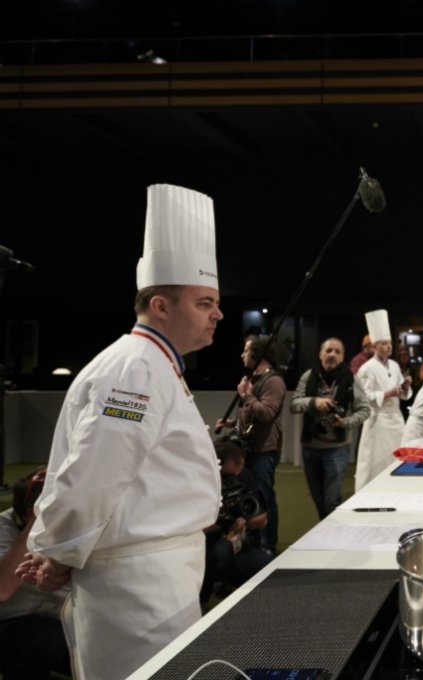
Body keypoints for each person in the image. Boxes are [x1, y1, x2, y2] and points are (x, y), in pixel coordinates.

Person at [16, 184, 223, 680]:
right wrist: (59, 554)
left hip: (156, 576)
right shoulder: (135, 370)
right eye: (204, 302)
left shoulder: (151, 365)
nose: (218, 314)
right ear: (160, 306)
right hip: (136, 587)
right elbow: (94, 473)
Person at [0, 467, 71, 680]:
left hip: (57, 620)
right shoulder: (4, 525)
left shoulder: (75, 526)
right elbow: (2, 589)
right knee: (46, 637)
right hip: (9, 622)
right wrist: (37, 524)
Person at [217, 335, 286, 554]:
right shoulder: (254, 380)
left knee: (265, 497)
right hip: (250, 449)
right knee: (251, 496)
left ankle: (268, 545)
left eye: (246, 350)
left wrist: (246, 395)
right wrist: (231, 423)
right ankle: (253, 543)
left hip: (264, 450)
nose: (242, 355)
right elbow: (249, 415)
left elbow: (266, 413)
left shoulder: (273, 381)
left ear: (257, 354)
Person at [289, 337, 371, 519]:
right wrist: (313, 402)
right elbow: (294, 404)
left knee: (331, 500)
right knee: (318, 500)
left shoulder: (350, 379)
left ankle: (335, 538)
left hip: (337, 449)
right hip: (310, 446)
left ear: (342, 357)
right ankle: (326, 533)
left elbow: (365, 409)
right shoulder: (308, 376)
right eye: (328, 351)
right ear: (320, 354)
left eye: (337, 351)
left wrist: (345, 422)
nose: (332, 354)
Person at [201, 439, 273, 606]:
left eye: (240, 465)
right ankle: (207, 594)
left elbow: (262, 519)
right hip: (202, 545)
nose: (237, 470)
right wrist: (201, 528)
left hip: (236, 542)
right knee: (221, 553)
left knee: (270, 568)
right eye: (234, 465)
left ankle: (228, 583)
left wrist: (245, 522)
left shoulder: (243, 476)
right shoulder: (200, 480)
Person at [355, 309, 412, 490]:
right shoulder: (366, 368)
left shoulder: (394, 365)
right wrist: (389, 393)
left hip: (396, 418)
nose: (388, 346)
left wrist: (405, 387)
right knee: (376, 461)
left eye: (389, 343)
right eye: (384, 343)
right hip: (377, 419)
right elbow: (365, 397)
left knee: (397, 458)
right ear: (374, 346)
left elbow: (402, 392)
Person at [396, 344, 414, 419]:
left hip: (409, 396)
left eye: (406, 355)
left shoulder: (412, 368)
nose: (404, 357)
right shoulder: (395, 368)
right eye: (402, 355)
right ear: (399, 356)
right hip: (398, 396)